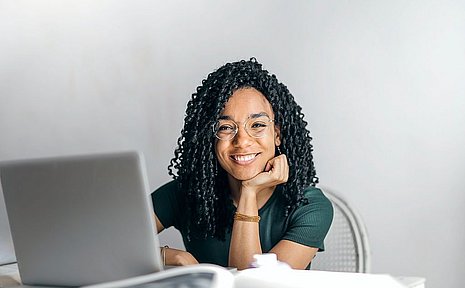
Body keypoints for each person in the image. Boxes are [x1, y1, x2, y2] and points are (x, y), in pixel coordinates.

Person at [151, 58, 333, 270]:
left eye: (257, 125)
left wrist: (249, 191)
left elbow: (254, 285)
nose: (243, 141)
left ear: (277, 134)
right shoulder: (187, 192)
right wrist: (172, 256)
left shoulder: (309, 206)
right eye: (226, 128)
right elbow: (109, 243)